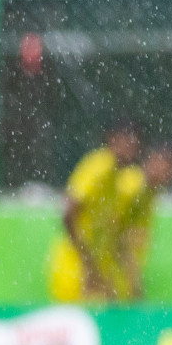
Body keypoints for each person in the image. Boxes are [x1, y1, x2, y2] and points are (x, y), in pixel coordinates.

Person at [48, 120, 143, 303]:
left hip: (93, 270)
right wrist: (86, 262)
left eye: (135, 144)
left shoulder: (116, 175)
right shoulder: (99, 166)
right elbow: (68, 211)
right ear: (111, 139)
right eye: (126, 141)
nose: (131, 148)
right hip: (75, 268)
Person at [111, 141, 172, 301]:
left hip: (119, 279)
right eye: (169, 165)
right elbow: (111, 233)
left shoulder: (148, 193)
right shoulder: (131, 186)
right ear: (153, 159)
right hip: (106, 279)